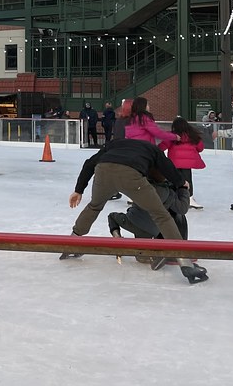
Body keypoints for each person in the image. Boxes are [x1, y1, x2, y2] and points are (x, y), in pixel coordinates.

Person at [61, 137, 209, 284]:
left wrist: (78, 190)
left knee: (94, 206)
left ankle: (72, 243)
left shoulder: (114, 144)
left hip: (103, 170)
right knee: (161, 215)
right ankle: (186, 264)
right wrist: (181, 182)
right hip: (131, 174)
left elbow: (89, 163)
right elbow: (167, 167)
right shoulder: (151, 149)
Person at [107, 173, 192, 267]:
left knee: (112, 217)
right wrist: (184, 190)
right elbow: (182, 209)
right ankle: (156, 253)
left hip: (132, 221)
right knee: (173, 218)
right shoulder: (168, 193)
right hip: (154, 230)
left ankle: (117, 239)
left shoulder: (140, 186)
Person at [160, 116, 206, 210]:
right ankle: (189, 198)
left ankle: (171, 198)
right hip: (187, 164)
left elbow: (162, 147)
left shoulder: (172, 136)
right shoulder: (193, 136)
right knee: (187, 180)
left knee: (173, 179)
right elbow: (200, 148)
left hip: (174, 163)